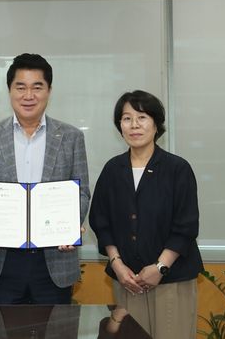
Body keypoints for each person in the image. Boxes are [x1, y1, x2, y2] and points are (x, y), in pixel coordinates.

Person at [0, 53, 91, 304]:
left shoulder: (71, 137)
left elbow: (81, 192)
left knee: (56, 326)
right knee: (1, 326)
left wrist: (69, 225)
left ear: (49, 91)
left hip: (54, 260)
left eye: (37, 87)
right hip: (2, 260)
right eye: (20, 87)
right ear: (9, 90)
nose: (28, 95)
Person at [88, 90, 203, 339]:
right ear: (119, 125)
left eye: (142, 117)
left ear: (156, 124)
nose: (134, 125)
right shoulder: (112, 170)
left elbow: (186, 226)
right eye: (126, 118)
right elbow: (101, 221)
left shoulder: (177, 169)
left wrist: (160, 267)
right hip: (127, 280)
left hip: (172, 280)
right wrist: (117, 264)